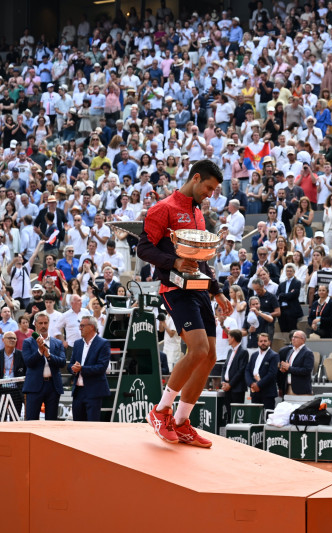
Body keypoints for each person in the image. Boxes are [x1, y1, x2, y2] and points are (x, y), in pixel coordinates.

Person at [137, 159, 233, 448]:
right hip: (173, 288)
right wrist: (175, 261)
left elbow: (201, 259)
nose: (211, 194)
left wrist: (217, 291)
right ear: (195, 178)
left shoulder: (198, 214)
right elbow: (143, 248)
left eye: (215, 190)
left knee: (211, 355)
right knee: (199, 349)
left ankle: (181, 422)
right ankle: (160, 411)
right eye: (209, 188)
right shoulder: (163, 208)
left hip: (199, 288)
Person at [22, 312, 66, 421]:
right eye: (40, 323)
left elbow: (62, 362)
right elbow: (28, 362)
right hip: (34, 386)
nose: (43, 326)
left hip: (53, 386)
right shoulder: (27, 342)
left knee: (51, 421)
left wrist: (49, 355)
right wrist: (40, 352)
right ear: (35, 324)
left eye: (45, 323)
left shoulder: (57, 343)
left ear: (49, 324)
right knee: (31, 420)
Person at [67, 315, 111, 422]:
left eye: (82, 326)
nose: (79, 328)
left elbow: (101, 367)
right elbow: (70, 364)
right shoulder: (78, 344)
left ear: (91, 327)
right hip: (78, 392)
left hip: (94, 391)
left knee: (92, 424)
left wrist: (81, 369)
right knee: (77, 424)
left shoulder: (103, 343)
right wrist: (73, 368)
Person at [0, 331, 25, 415]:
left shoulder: (21, 355)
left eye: (14, 338)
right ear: (3, 340)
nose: (12, 340)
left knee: (15, 416)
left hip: (16, 391)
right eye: (9, 338)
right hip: (0, 391)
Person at [245, 332, 279, 411]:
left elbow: (272, 374)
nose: (263, 343)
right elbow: (247, 370)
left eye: (265, 341)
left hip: (267, 392)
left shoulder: (274, 355)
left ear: (269, 342)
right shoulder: (254, 355)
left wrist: (258, 385)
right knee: (255, 417)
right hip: (254, 392)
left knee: (267, 417)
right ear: (258, 343)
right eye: (261, 341)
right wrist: (251, 384)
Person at [220, 329, 249, 423]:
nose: (227, 339)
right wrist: (223, 381)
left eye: (229, 337)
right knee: (228, 412)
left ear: (233, 338)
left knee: (236, 413)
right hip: (227, 387)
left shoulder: (243, 352)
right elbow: (224, 367)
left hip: (237, 388)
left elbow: (241, 371)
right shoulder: (229, 351)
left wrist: (230, 384)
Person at [277, 330, 314, 397]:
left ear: (302, 339)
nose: (292, 339)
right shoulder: (291, 351)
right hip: (288, 388)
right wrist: (284, 369)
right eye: (293, 337)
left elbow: (307, 370)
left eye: (295, 337)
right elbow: (289, 368)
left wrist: (289, 368)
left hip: (301, 390)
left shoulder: (307, 353)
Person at [276, 264, 304, 332]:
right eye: (287, 271)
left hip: (292, 310)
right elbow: (277, 296)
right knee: (283, 330)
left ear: (294, 272)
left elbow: (294, 295)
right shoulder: (282, 284)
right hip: (282, 310)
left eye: (290, 271)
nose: (289, 272)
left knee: (292, 330)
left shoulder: (297, 282)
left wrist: (282, 295)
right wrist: (287, 294)